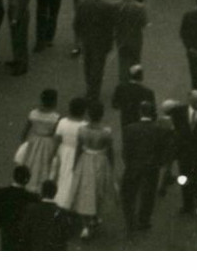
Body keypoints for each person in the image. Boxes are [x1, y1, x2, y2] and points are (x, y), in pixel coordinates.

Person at [70, 102, 116, 240]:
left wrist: (75, 163)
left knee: (85, 190)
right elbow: (110, 151)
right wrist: (111, 166)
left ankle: (85, 225)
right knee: (98, 189)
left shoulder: (82, 130)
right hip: (101, 161)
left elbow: (79, 147)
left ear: (89, 115)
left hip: (85, 160)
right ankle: (94, 217)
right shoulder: (106, 132)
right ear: (101, 115)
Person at [120, 103, 162, 233]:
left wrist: (128, 164)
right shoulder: (159, 129)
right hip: (151, 167)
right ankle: (144, 221)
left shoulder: (129, 129)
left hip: (133, 166)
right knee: (148, 195)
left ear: (140, 113)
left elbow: (125, 151)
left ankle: (130, 221)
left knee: (129, 195)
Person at [75, 0, 117, 105]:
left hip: (87, 40)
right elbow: (111, 26)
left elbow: (77, 22)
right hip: (101, 42)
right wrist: (110, 43)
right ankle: (94, 93)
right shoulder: (108, 5)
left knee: (87, 65)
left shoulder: (82, 3)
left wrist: (80, 37)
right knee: (98, 67)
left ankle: (89, 88)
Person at [17, 179, 77, 251]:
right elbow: (66, 235)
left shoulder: (31, 209)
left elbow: (24, 231)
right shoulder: (62, 213)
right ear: (55, 193)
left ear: (42, 192)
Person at [52, 98, 89, 211]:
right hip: (78, 154)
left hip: (64, 151)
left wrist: (54, 154)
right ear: (84, 111)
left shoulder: (62, 122)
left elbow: (57, 139)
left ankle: (60, 200)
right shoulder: (85, 125)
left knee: (63, 176)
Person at [0, 166, 40, 250]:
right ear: (27, 179)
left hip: (6, 235)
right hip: (25, 239)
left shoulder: (2, 193)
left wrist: (4, 225)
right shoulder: (32, 198)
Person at [7, 0, 33, 74]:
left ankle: (21, 65)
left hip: (19, 15)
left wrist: (15, 18)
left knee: (20, 40)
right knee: (17, 39)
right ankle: (17, 60)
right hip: (20, 14)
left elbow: (19, 3)